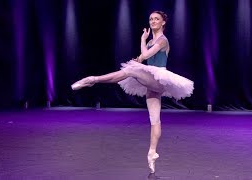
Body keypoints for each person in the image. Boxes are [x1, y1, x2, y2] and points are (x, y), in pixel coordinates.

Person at [71, 11, 194, 173]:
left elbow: (146, 55)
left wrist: (141, 56)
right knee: (154, 119)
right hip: (152, 80)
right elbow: (144, 55)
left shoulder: (163, 40)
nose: (153, 21)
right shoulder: (151, 41)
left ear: (163, 22)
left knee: (130, 71)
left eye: (157, 19)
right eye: (150, 19)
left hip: (158, 78)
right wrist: (143, 41)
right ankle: (152, 153)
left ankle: (93, 79)